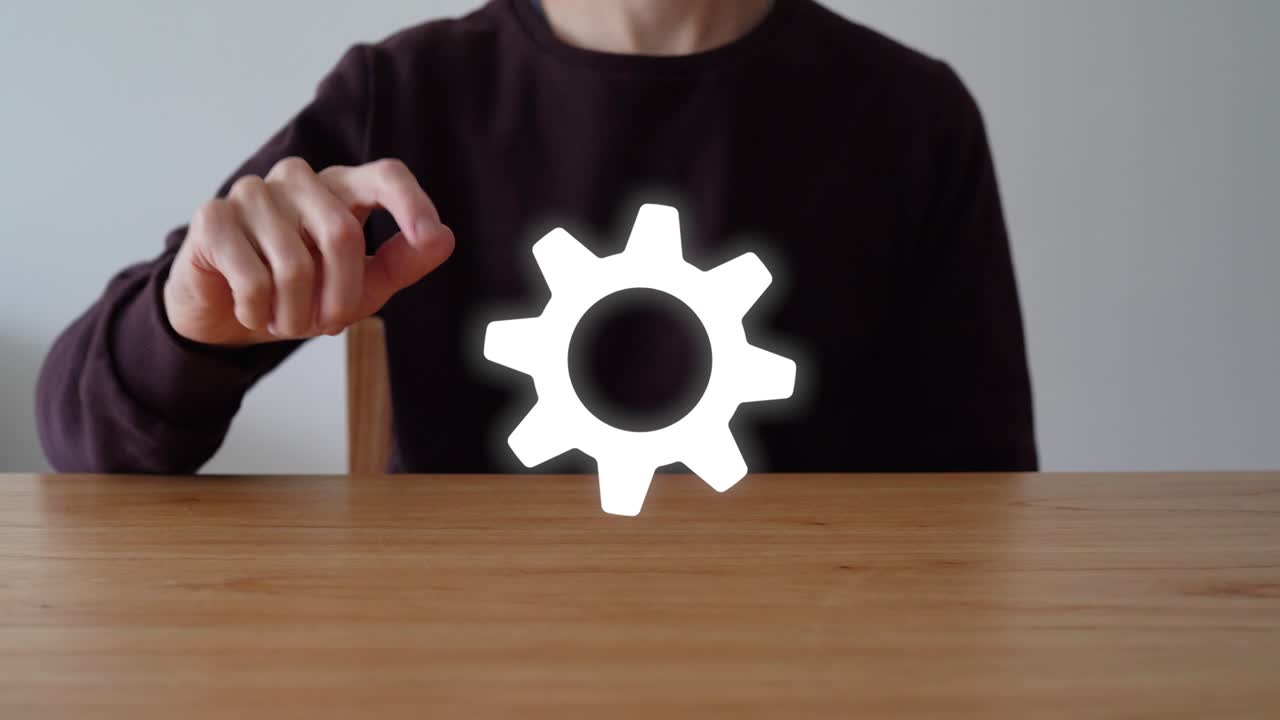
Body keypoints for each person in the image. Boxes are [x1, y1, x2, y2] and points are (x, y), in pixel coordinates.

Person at [35, 0, 1038, 474]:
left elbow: (982, 507)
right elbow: (81, 436)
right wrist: (189, 319)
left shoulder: (910, 120)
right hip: (464, 673)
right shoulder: (404, 99)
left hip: (809, 667)